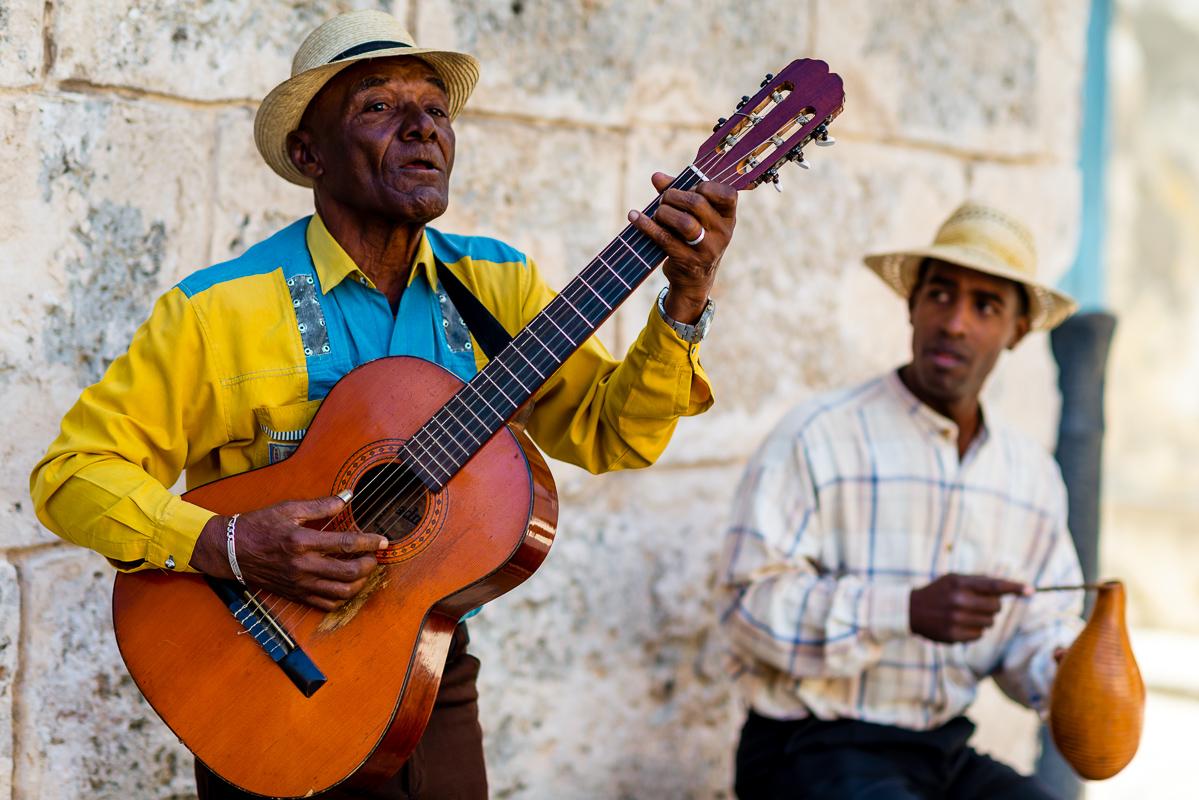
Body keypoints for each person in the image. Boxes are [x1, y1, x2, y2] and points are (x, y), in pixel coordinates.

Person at [29, 10, 737, 799]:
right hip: (260, 679)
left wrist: (685, 300)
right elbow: (71, 475)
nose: (422, 129)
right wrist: (228, 542)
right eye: (378, 107)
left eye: (435, 110)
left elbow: (612, 437)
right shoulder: (216, 313)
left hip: (432, 672)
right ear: (308, 154)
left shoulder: (497, 285)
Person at [718, 202, 1085, 800]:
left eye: (986, 306)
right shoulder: (818, 435)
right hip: (808, 747)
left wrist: (1066, 669)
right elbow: (746, 606)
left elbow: (1034, 630)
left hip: (940, 752)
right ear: (912, 304)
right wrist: (904, 610)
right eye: (941, 295)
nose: (956, 323)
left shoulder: (1031, 476)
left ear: (1017, 331)